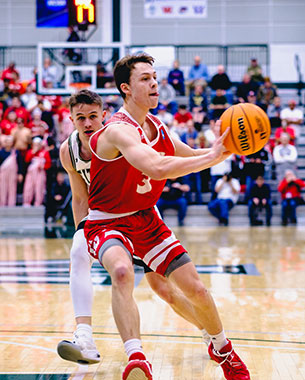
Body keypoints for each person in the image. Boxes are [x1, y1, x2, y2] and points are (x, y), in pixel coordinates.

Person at [83, 54, 249, 380]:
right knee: (120, 271)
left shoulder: (157, 126)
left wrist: (224, 149)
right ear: (126, 89)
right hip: (108, 220)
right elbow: (157, 167)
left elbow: (194, 155)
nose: (155, 83)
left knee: (195, 290)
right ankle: (136, 356)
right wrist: (214, 156)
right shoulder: (117, 130)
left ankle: (221, 346)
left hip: (146, 218)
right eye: (145, 79)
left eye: (155, 77)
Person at [57, 89, 215, 366]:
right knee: (78, 253)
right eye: (80, 118)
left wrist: (216, 153)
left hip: (139, 216)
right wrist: (83, 234)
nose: (87, 123)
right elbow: (80, 198)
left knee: (166, 291)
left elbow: (167, 160)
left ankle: (209, 333)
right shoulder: (68, 151)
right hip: (104, 220)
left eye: (93, 116)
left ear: (103, 116)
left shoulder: (119, 135)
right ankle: (84, 338)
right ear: (71, 119)